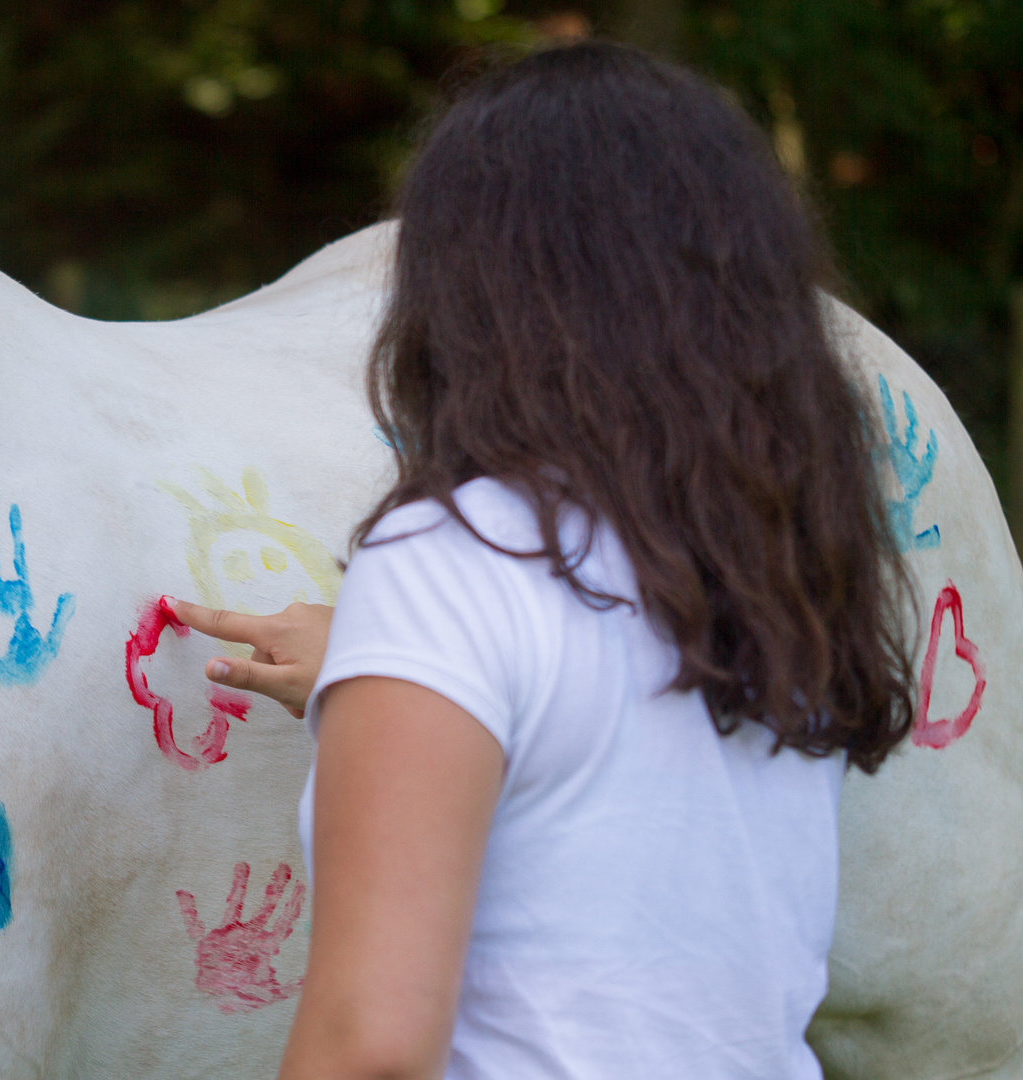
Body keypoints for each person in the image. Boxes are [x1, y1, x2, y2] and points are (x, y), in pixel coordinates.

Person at [167, 41, 916, 1080]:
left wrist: (415, 641)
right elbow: (615, 785)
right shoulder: (774, 576)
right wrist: (387, 678)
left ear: (472, 289)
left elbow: (370, 1049)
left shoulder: (457, 555)